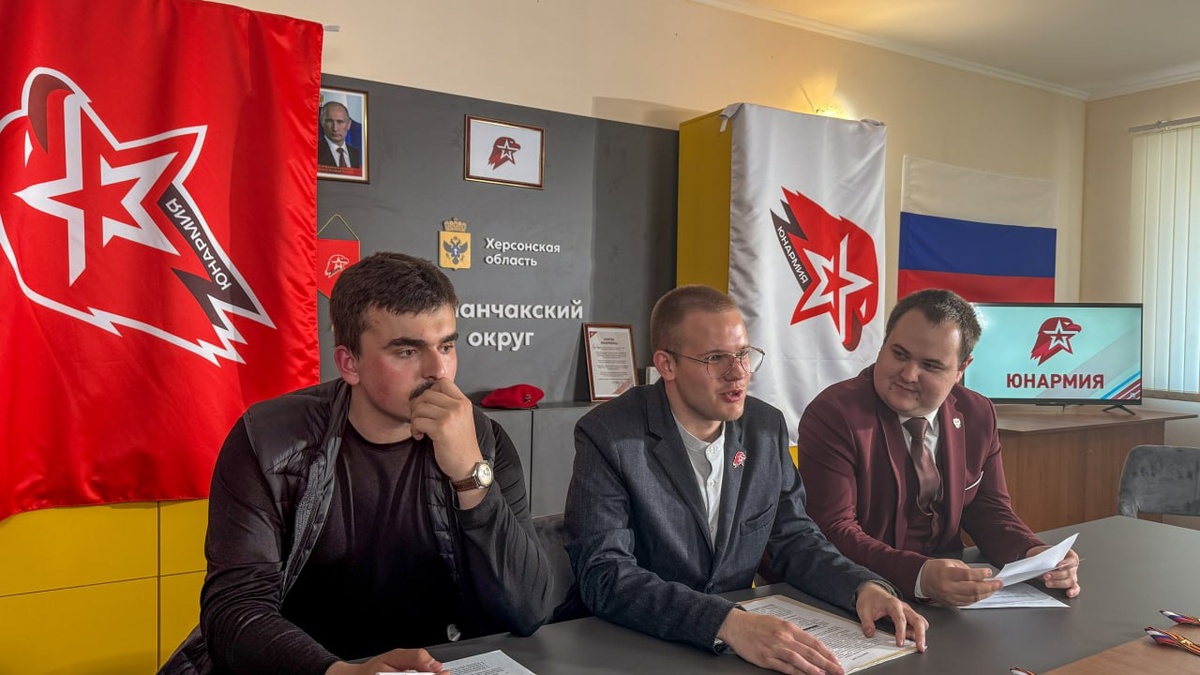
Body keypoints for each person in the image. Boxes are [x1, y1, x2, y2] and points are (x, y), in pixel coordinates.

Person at [165, 252, 552, 674]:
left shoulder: (482, 439)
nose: (439, 371)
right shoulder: (269, 438)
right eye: (408, 351)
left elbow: (528, 610)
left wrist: (469, 476)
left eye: (446, 346)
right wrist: (340, 672)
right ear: (350, 363)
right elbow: (235, 611)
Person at [565, 285, 926, 675]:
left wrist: (862, 587)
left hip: (731, 653)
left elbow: (796, 539)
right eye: (715, 358)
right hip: (628, 646)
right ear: (667, 365)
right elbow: (604, 574)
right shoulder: (609, 435)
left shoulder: (765, 427)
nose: (738, 372)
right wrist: (726, 622)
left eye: (742, 354)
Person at [797, 288, 1082, 607]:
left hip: (950, 595)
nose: (908, 375)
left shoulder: (978, 413)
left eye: (931, 366)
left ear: (961, 369)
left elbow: (988, 508)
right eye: (899, 354)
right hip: (858, 590)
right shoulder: (834, 414)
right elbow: (832, 530)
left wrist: (1034, 554)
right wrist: (920, 576)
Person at [318, 101, 362, 169]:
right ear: (322, 122)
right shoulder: (314, 151)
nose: (335, 128)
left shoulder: (356, 153)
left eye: (340, 122)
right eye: (329, 121)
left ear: (349, 124)